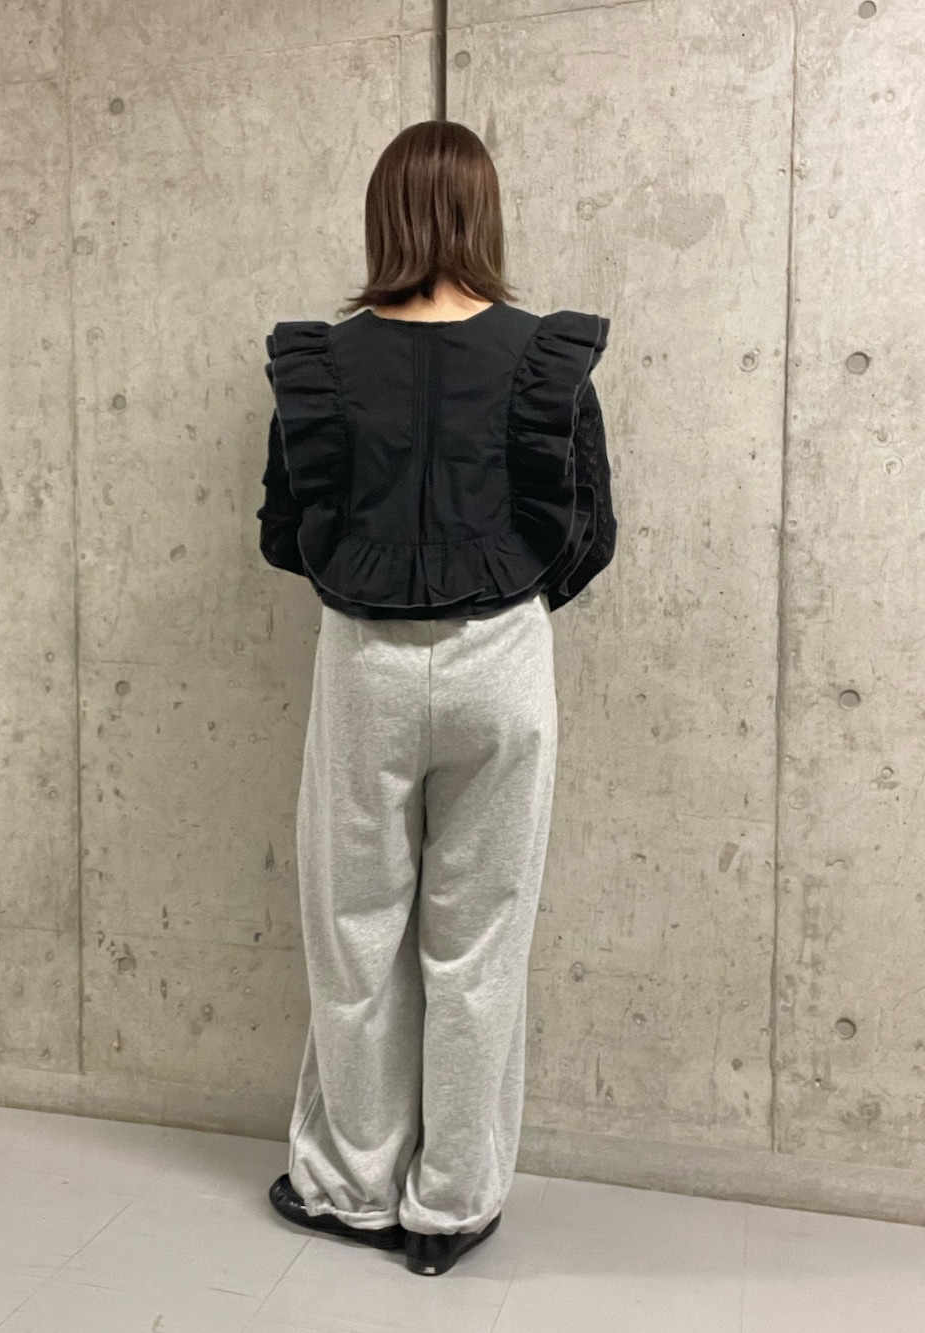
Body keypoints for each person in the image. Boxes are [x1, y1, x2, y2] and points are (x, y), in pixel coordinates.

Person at [257, 120, 617, 1277]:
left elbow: (284, 530)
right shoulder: (544, 356)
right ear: (483, 214)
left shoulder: (323, 363)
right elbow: (587, 530)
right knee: (481, 940)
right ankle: (450, 1204)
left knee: (354, 929)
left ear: (384, 216)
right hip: (501, 660)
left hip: (364, 663)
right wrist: (498, 602)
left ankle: (351, 1186)